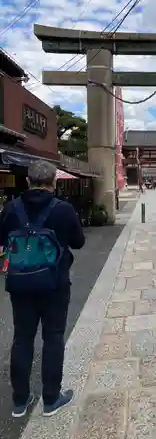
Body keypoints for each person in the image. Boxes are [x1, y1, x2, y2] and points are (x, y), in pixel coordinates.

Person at [0, 160, 85, 418]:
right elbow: (79, 242)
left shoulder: (10, 209)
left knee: (22, 338)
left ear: (28, 181)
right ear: (54, 182)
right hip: (54, 284)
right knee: (53, 337)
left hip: (20, 284)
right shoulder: (63, 209)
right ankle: (51, 399)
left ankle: (19, 401)